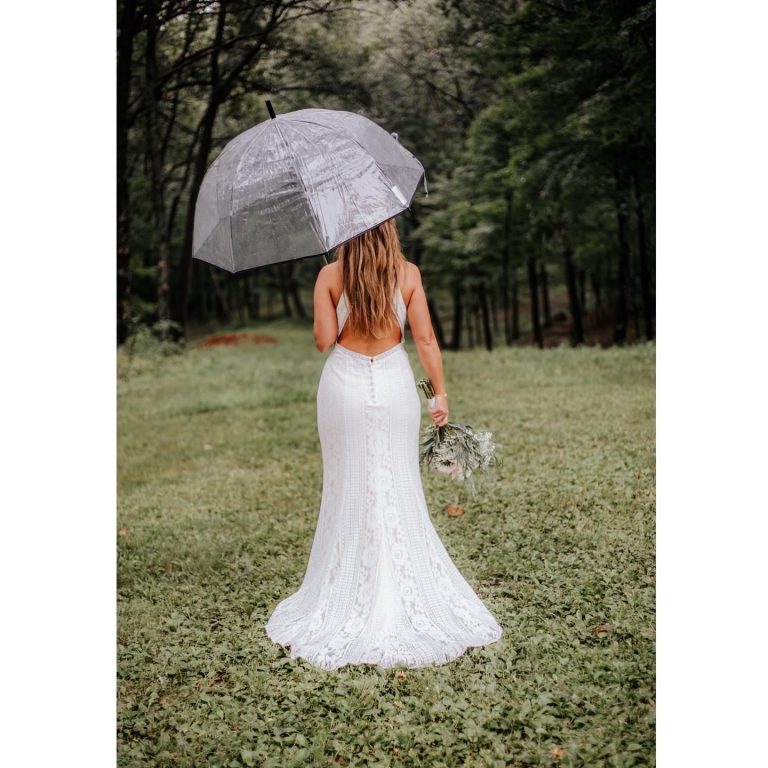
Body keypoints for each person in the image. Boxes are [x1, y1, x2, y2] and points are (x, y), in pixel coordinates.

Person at [265, 217, 502, 670]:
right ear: (388, 225)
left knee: (346, 487)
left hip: (343, 390)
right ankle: (403, 585)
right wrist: (440, 394)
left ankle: (346, 589)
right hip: (394, 388)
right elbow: (426, 339)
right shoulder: (408, 273)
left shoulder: (330, 276)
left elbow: (323, 341)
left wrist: (329, 297)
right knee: (397, 484)